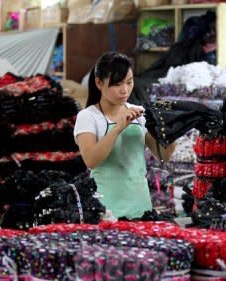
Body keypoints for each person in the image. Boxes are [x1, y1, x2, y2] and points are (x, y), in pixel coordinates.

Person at [73, 51, 175, 219]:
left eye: (129, 82)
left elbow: (163, 155)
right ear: (99, 83)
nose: (125, 90)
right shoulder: (88, 117)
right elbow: (91, 160)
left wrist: (170, 130)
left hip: (141, 207)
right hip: (106, 210)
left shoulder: (139, 113)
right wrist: (117, 128)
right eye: (117, 84)